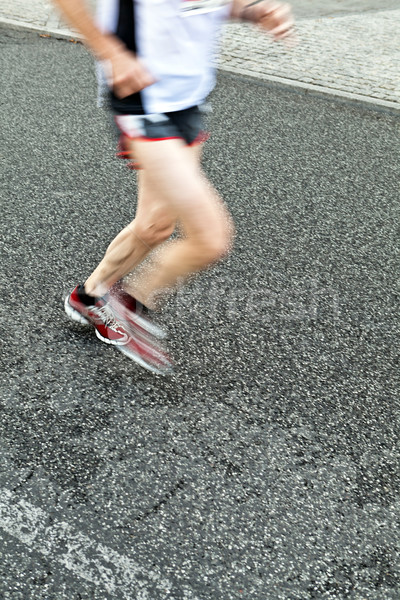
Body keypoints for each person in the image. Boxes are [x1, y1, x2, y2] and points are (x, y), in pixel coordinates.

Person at [54, 0, 294, 374]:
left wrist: (250, 12)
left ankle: (90, 297)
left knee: (155, 226)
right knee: (210, 239)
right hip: (143, 100)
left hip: (188, 100)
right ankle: (128, 304)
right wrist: (111, 52)